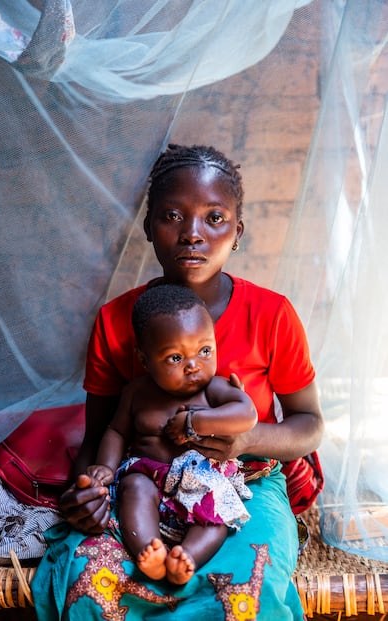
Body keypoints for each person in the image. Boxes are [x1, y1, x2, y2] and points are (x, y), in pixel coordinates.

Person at [32, 144, 324, 621]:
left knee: (247, 586)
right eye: (171, 216)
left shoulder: (271, 315)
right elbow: (102, 433)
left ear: (238, 231)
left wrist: (247, 438)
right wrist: (86, 490)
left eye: (214, 218)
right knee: (88, 576)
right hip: (140, 484)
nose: (192, 234)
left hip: (242, 483)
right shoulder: (115, 320)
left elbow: (309, 424)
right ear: (149, 229)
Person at [86, 283, 257, 585]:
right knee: (133, 488)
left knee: (216, 518)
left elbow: (247, 414)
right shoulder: (137, 393)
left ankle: (187, 558)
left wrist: (196, 422)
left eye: (205, 350)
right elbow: (116, 431)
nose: (194, 366)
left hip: (201, 483)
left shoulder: (213, 389)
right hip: (149, 481)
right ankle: (149, 553)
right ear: (143, 359)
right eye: (175, 358)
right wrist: (106, 466)